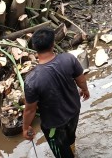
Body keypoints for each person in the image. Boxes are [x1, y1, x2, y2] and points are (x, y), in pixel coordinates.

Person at [22, 27, 89, 158]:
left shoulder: (32, 80)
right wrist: (85, 90)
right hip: (74, 110)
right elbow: (80, 78)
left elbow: (30, 110)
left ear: (35, 48)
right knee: (70, 138)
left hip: (54, 125)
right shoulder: (69, 59)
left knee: (62, 155)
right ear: (53, 44)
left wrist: (25, 128)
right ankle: (72, 150)